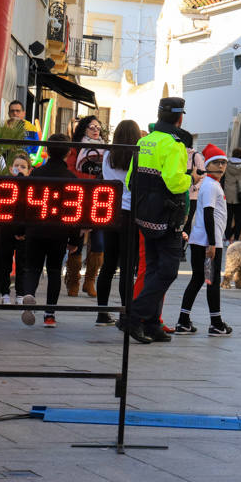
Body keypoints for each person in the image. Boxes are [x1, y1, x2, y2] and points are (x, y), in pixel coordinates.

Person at [125, 98, 193, 344]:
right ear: (180, 118)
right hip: (167, 216)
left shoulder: (144, 141)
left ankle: (152, 324)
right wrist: (191, 178)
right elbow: (175, 182)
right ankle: (134, 316)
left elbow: (130, 180)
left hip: (144, 214)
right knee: (168, 270)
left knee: (153, 268)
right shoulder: (175, 144)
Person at [20, 135, 82, 328]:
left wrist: (21, 229)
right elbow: (75, 212)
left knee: (32, 268)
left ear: (46, 150)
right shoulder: (71, 178)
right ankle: (49, 315)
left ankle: (29, 295)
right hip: (59, 232)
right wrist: (75, 240)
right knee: (54, 271)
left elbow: (24, 205)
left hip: (35, 229)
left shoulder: (36, 174)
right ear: (68, 153)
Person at [177, 144, 233, 335]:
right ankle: (216, 323)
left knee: (199, 279)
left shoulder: (212, 185)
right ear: (207, 166)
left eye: (224, 163)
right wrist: (212, 243)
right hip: (207, 243)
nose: (221, 166)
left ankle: (183, 321)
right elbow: (209, 214)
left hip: (203, 241)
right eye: (216, 163)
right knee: (211, 281)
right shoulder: (210, 186)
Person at [95, 119, 140, 326]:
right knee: (127, 267)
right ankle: (125, 313)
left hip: (110, 211)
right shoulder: (137, 155)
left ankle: (101, 312)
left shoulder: (107, 155)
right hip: (130, 213)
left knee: (108, 265)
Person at [65, 116, 106, 299]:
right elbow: (70, 171)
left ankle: (90, 281)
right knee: (76, 240)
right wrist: (92, 179)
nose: (96, 130)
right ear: (84, 129)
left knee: (99, 242)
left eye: (98, 127)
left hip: (101, 198)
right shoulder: (76, 147)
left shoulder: (106, 148)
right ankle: (73, 280)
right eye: (91, 127)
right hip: (79, 198)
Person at [0, 152, 31, 304]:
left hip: (24, 233)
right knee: (4, 263)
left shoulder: (31, 188)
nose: (19, 169)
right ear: (11, 169)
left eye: (23, 166)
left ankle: (20, 294)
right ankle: (4, 293)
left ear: (29, 171)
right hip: (7, 229)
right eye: (17, 166)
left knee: (22, 264)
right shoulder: (5, 186)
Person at [183, 139, 206, 258]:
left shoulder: (195, 156)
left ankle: (182, 249)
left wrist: (195, 187)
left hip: (192, 196)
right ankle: (179, 248)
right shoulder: (178, 153)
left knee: (187, 222)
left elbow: (203, 175)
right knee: (180, 221)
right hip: (180, 193)